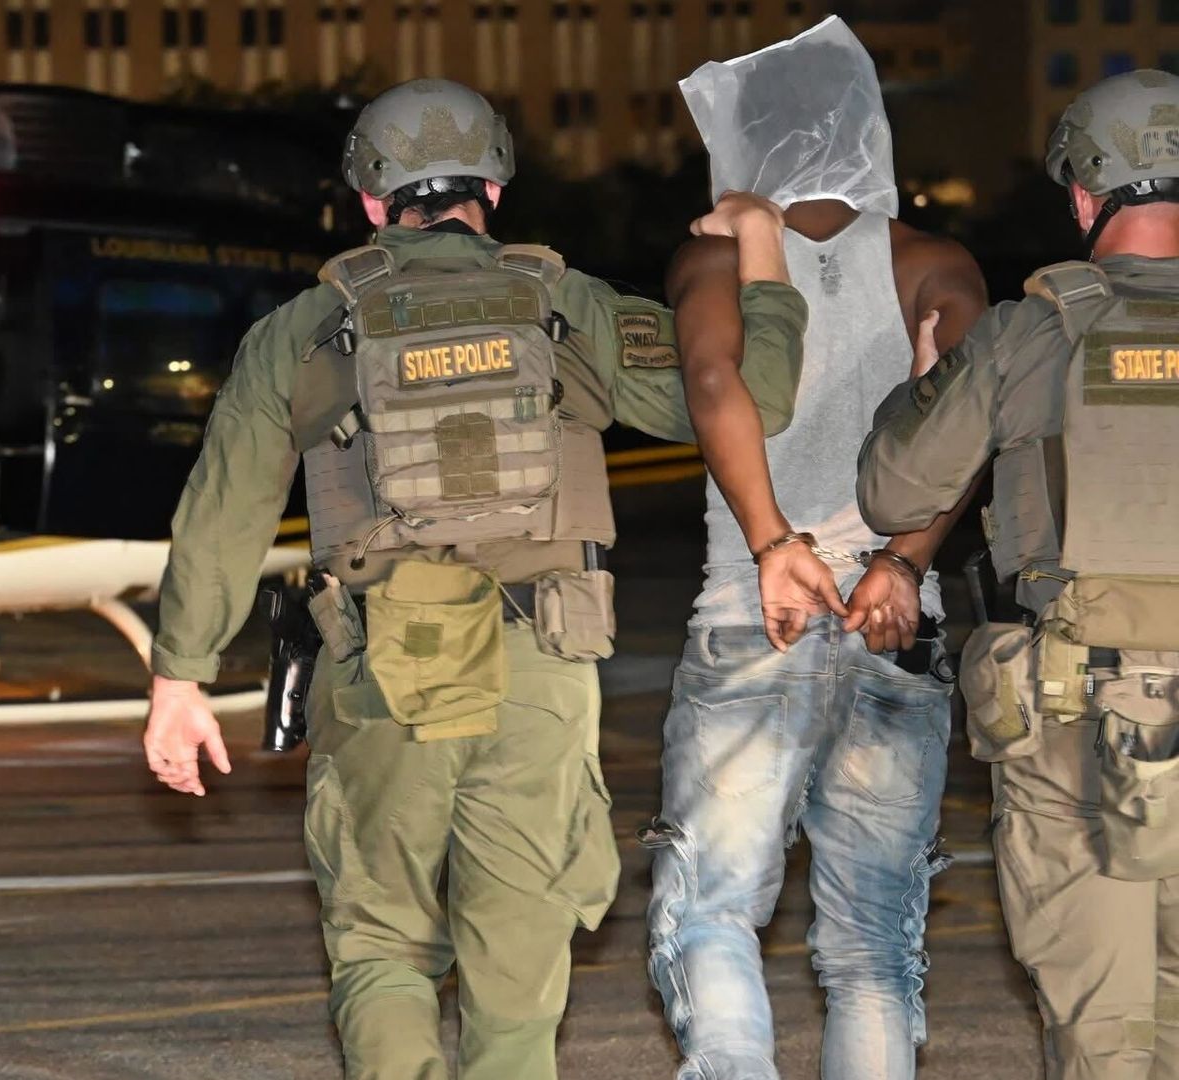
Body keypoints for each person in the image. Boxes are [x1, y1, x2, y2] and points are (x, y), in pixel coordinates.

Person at [141, 78, 810, 1080]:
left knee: (381, 942)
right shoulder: (566, 306)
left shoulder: (302, 329)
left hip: (382, 671)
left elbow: (223, 512)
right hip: (540, 666)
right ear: (493, 188)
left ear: (371, 200)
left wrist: (180, 677)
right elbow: (755, 399)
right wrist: (761, 249)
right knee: (519, 962)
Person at [643, 18, 988, 1080]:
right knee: (872, 949)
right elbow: (974, 415)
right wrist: (901, 561)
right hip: (893, 625)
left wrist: (770, 542)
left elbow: (715, 383)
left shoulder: (714, 255)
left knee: (712, 912)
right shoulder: (935, 263)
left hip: (759, 613)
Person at [858, 69, 1179, 1079]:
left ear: (1083, 194)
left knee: (1104, 1031)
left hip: (1079, 723)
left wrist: (920, 390)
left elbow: (895, 493)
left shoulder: (1028, 332)